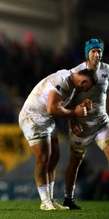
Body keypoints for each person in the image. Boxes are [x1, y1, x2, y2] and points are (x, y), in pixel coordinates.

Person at [18, 67, 97, 211]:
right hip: (33, 117)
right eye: (87, 87)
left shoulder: (72, 85)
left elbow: (66, 106)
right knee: (43, 158)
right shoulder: (62, 80)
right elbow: (52, 109)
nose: (86, 90)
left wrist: (74, 121)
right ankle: (45, 201)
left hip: (46, 120)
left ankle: (51, 200)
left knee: (54, 157)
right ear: (83, 81)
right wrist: (75, 112)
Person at [63, 38, 109, 209]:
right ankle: (68, 199)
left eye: (99, 51)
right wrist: (72, 122)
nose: (97, 54)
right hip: (81, 127)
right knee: (75, 164)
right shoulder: (76, 73)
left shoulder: (107, 70)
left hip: (102, 123)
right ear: (87, 53)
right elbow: (67, 102)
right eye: (93, 51)